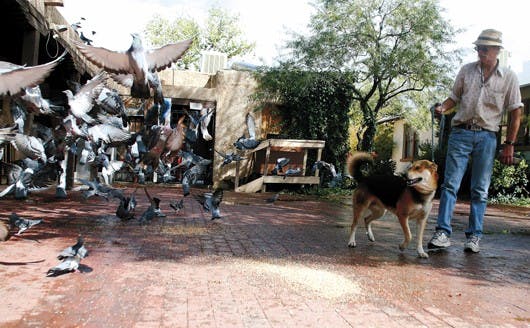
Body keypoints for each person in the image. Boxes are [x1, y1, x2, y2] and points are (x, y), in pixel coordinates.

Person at [427, 29, 523, 253]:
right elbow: (454, 98)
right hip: (460, 133)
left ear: (497, 50)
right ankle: (442, 233)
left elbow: (516, 113)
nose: (480, 52)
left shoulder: (509, 77)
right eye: (478, 48)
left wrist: (509, 144)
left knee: (480, 189)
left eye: (485, 48)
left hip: (487, 137)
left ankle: (474, 237)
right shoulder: (466, 70)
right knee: (450, 184)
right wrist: (443, 108)